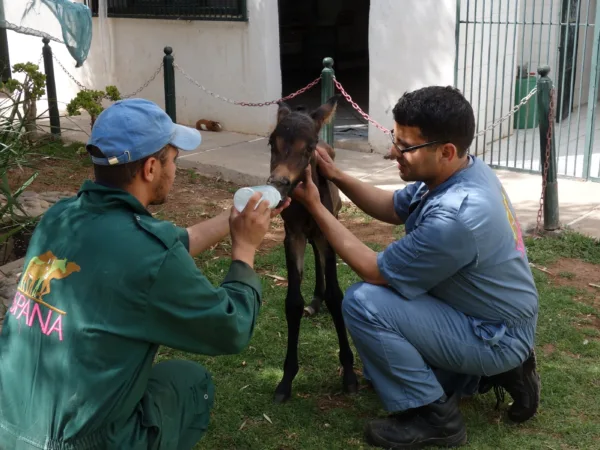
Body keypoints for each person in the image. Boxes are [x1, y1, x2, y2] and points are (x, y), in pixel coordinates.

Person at [0, 98, 290, 450]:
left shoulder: (61, 217)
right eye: (174, 160)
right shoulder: (149, 254)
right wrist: (244, 250)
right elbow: (232, 328)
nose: (175, 170)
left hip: (10, 425)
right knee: (190, 382)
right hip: (81, 443)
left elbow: (176, 243)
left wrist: (240, 216)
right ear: (151, 168)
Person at [291, 86, 540, 449]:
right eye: (395, 138)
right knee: (388, 355)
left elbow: (373, 271)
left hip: (493, 332)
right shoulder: (462, 171)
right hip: (490, 315)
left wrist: (316, 207)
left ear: (446, 151)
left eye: (405, 146)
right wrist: (337, 175)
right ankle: (490, 374)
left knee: (364, 303)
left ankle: (435, 418)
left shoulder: (456, 215)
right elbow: (393, 206)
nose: (394, 152)